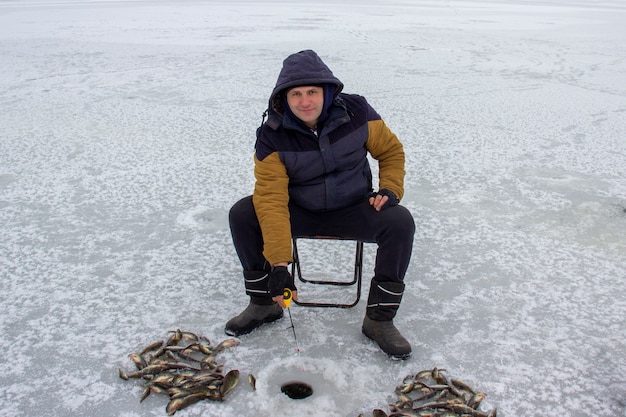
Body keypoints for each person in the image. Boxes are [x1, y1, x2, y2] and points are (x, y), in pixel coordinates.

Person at [225, 50, 415, 360]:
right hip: (299, 210)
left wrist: (390, 189)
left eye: (312, 92)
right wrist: (278, 265)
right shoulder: (271, 135)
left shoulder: (358, 111)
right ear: (283, 98)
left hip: (354, 207)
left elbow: (391, 152)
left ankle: (379, 320)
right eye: (295, 94)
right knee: (244, 213)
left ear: (327, 91)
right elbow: (271, 199)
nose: (304, 102)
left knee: (400, 222)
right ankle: (263, 304)